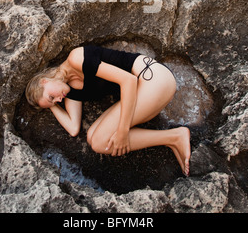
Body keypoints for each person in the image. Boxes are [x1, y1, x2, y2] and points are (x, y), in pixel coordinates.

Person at [26, 44, 191, 176]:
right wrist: (52, 105)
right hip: (144, 94)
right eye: (55, 102)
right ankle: (173, 138)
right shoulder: (69, 93)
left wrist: (123, 132)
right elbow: (73, 128)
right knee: (93, 138)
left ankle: (176, 136)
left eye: (52, 97)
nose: (58, 100)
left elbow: (129, 81)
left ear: (44, 81)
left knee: (99, 141)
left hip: (154, 79)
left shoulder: (76, 58)